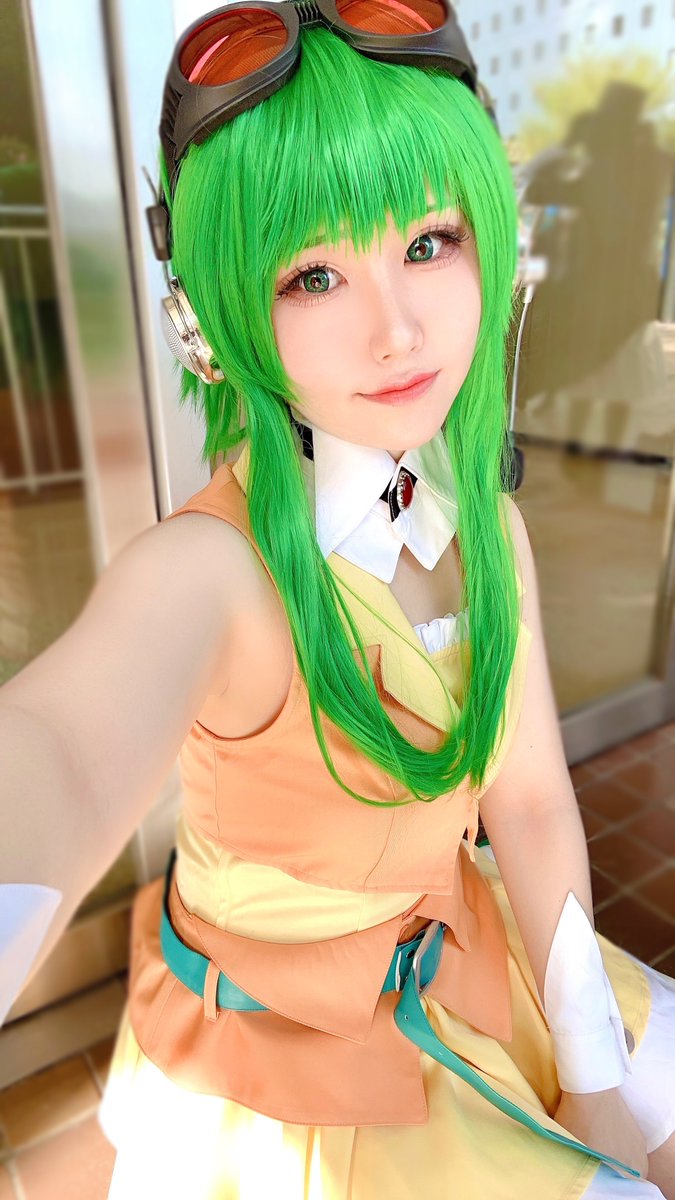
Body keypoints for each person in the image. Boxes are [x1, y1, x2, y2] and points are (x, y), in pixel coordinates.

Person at [2, 2, 674, 1197]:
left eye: (428, 241)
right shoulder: (209, 572)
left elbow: (527, 803)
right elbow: (58, 747)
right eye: (315, 273)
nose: (397, 330)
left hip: (465, 955)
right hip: (293, 1064)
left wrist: (595, 1074)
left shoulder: (489, 526)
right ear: (207, 319)